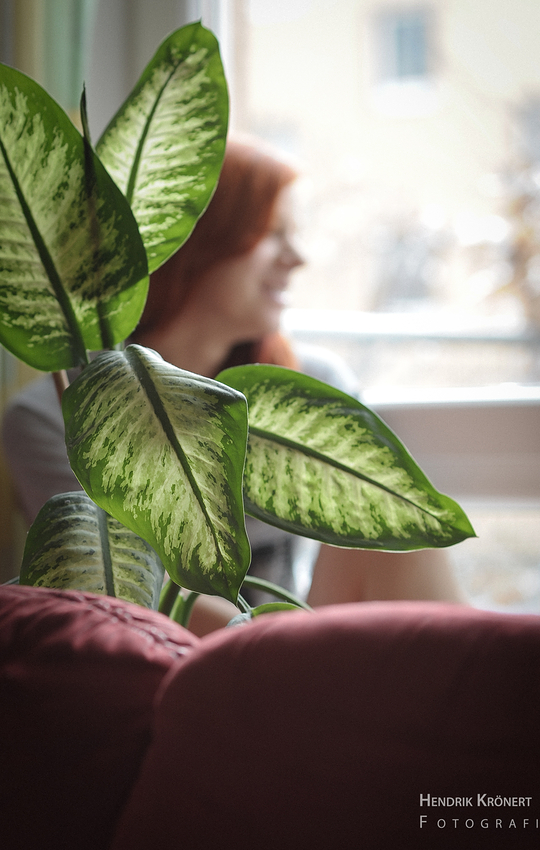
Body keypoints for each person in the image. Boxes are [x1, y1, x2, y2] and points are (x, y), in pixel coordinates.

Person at [2, 137, 464, 631]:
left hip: (297, 654)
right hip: (178, 667)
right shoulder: (54, 413)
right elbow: (125, 593)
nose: (298, 258)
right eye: (272, 232)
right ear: (195, 240)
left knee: (398, 537)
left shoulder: (306, 384)